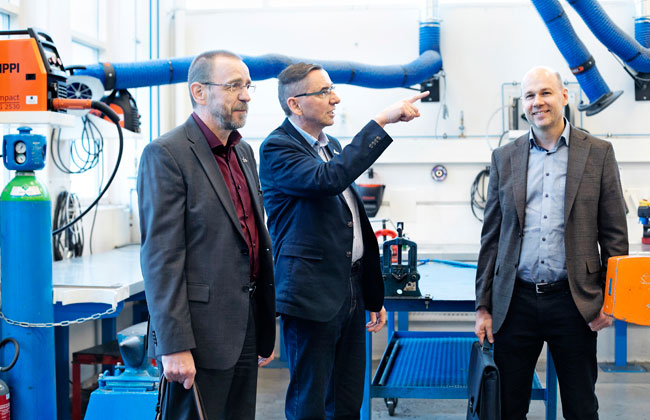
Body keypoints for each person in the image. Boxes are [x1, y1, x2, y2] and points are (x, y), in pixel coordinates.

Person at [259, 62, 428, 420]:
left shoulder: (330, 145)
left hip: (348, 289)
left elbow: (348, 222)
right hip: (311, 295)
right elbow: (328, 180)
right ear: (294, 104)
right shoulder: (278, 148)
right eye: (324, 92)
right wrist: (380, 122)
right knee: (309, 402)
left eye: (332, 89)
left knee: (347, 399)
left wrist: (369, 293)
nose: (335, 98)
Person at [474, 65, 629, 419]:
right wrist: (483, 306)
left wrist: (612, 301)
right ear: (523, 103)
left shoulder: (598, 153)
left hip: (574, 302)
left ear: (564, 96)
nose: (537, 102)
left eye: (545, 92)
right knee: (507, 407)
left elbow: (615, 235)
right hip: (515, 303)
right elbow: (491, 238)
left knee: (581, 407)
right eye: (529, 95)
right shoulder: (504, 157)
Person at [138, 50, 275, 420]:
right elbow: (161, 259)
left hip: (244, 323)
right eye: (233, 86)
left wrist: (262, 322)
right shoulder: (166, 154)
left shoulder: (243, 152)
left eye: (248, 86)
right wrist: (174, 345)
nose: (245, 95)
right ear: (199, 92)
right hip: (197, 336)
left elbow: (250, 239)